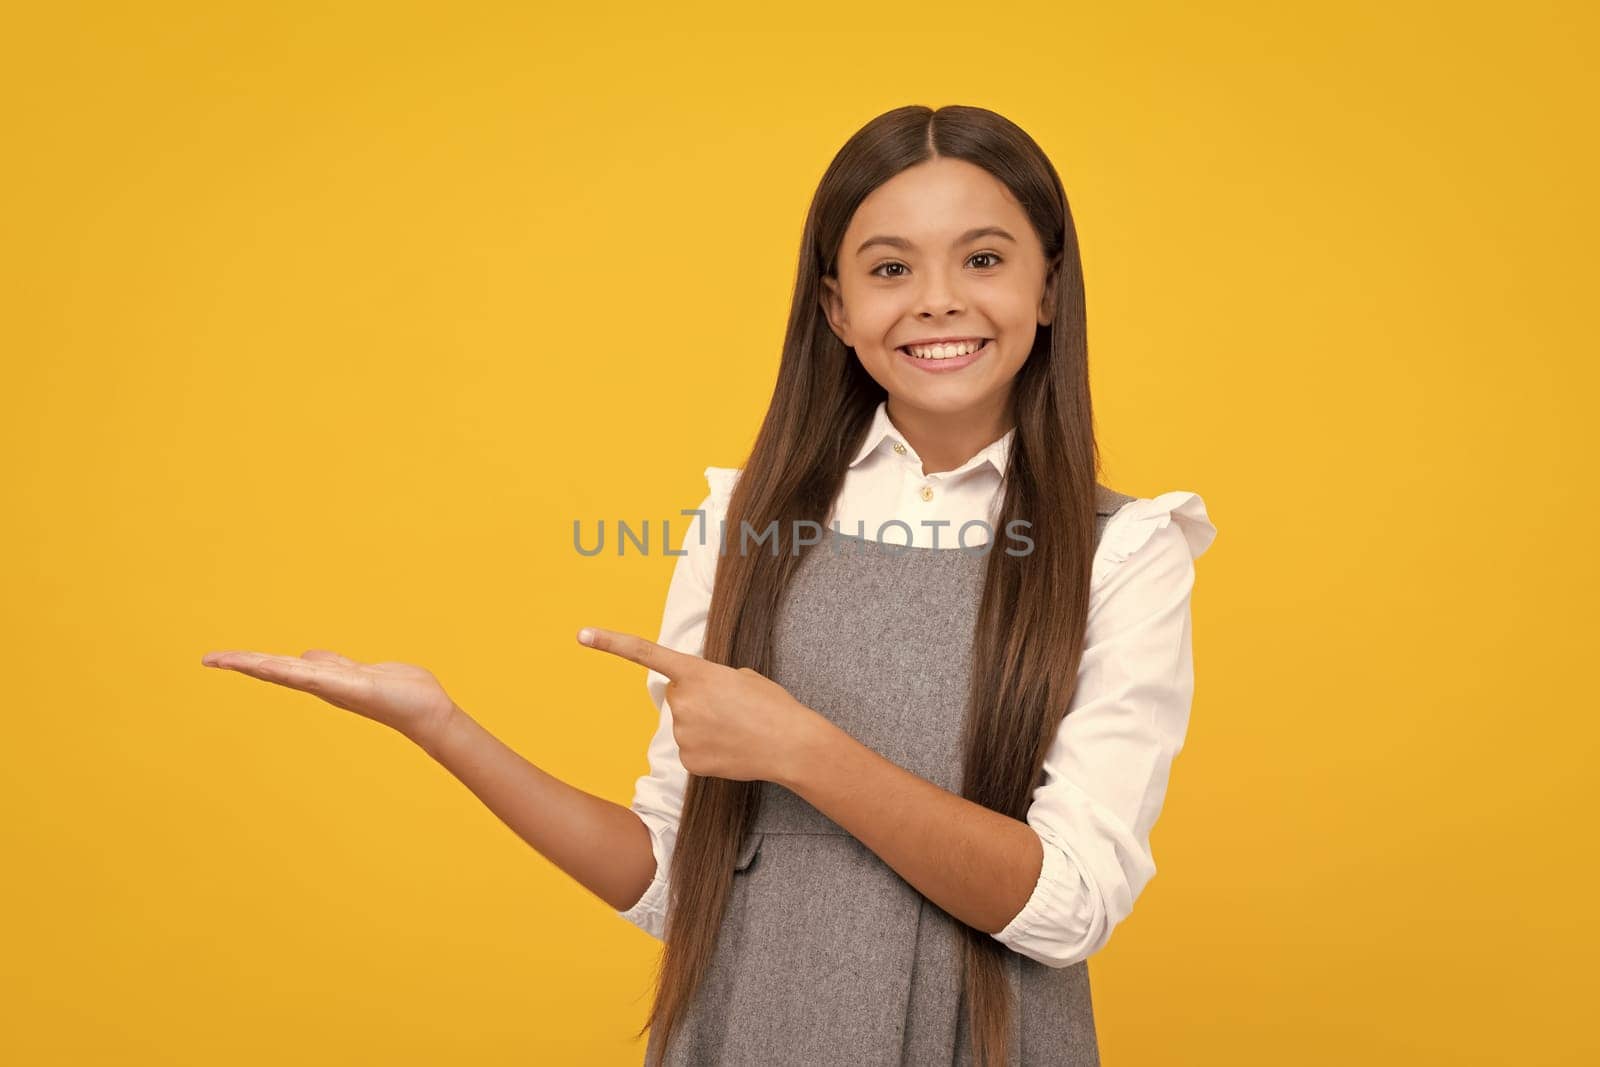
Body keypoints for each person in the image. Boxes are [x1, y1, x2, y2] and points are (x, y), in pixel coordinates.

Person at [201, 104, 1217, 1067]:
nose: (937, 298)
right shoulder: (739, 524)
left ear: (1047, 286)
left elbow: (1070, 904)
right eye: (889, 267)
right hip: (740, 1025)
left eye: (983, 259)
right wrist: (441, 725)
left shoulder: (1124, 550)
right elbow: (668, 880)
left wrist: (804, 750)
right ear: (835, 305)